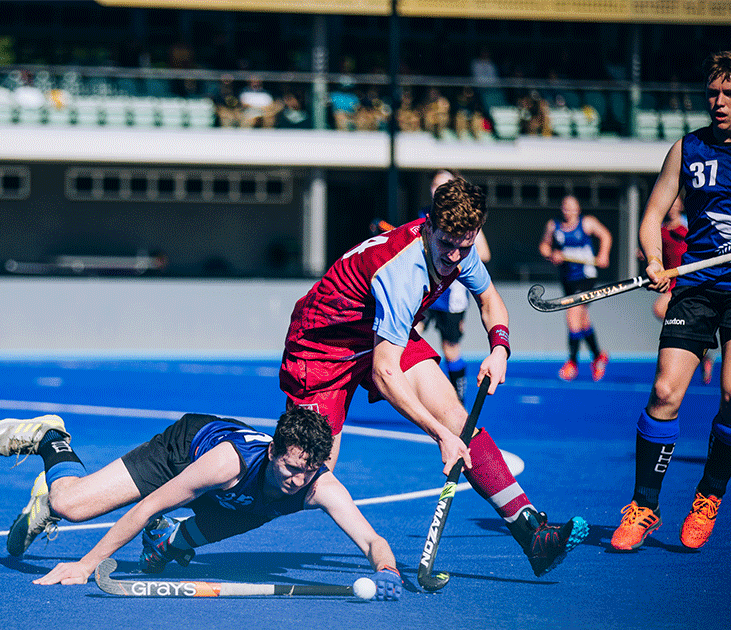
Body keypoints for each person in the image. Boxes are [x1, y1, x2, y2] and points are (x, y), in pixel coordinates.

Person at [279, 177, 588, 577]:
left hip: (380, 332)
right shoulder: (402, 271)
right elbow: (385, 372)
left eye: (465, 245)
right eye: (446, 244)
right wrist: (438, 435)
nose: (454, 257)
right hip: (323, 347)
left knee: (459, 420)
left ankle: (532, 533)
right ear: (428, 225)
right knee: (303, 471)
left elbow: (489, 298)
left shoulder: (460, 249)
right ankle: (197, 517)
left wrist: (499, 349)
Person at [0, 408, 403, 599]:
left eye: (306, 472)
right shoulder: (226, 464)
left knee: (202, 533)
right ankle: (52, 440)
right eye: (289, 468)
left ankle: (169, 539)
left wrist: (387, 569)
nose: (297, 481)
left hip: (244, 502)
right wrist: (85, 565)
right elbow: (145, 507)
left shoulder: (317, 485)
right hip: (183, 454)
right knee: (71, 504)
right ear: (273, 452)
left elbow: (371, 540)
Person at [610, 51, 731, 552]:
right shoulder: (689, 149)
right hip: (697, 287)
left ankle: (709, 494)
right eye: (713, 93)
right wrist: (655, 259)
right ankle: (644, 506)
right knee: (664, 393)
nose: (719, 102)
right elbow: (652, 214)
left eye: (729, 95)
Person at [416, 170, 492, 404]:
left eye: (444, 183)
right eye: (435, 183)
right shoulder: (424, 215)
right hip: (426, 288)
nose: (438, 187)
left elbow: (485, 253)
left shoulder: (466, 219)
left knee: (450, 349)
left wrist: (455, 254)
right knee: (411, 335)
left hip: (452, 294)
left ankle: (458, 400)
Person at [538, 195, 613, 381]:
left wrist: (603, 254)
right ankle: (598, 356)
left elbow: (606, 236)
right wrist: (552, 255)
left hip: (587, 277)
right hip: (568, 279)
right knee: (582, 320)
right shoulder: (553, 226)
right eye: (565, 207)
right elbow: (544, 247)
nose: (569, 211)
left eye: (572, 207)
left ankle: (572, 362)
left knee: (572, 315)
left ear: (578, 209)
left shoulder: (587, 223)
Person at [646, 195, 713, 384]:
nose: (672, 208)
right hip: (670, 278)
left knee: (660, 309)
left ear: (681, 206)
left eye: (676, 205)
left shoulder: (687, 226)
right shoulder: (661, 228)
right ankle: (699, 350)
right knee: (662, 312)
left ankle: (698, 349)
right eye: (670, 205)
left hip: (685, 279)